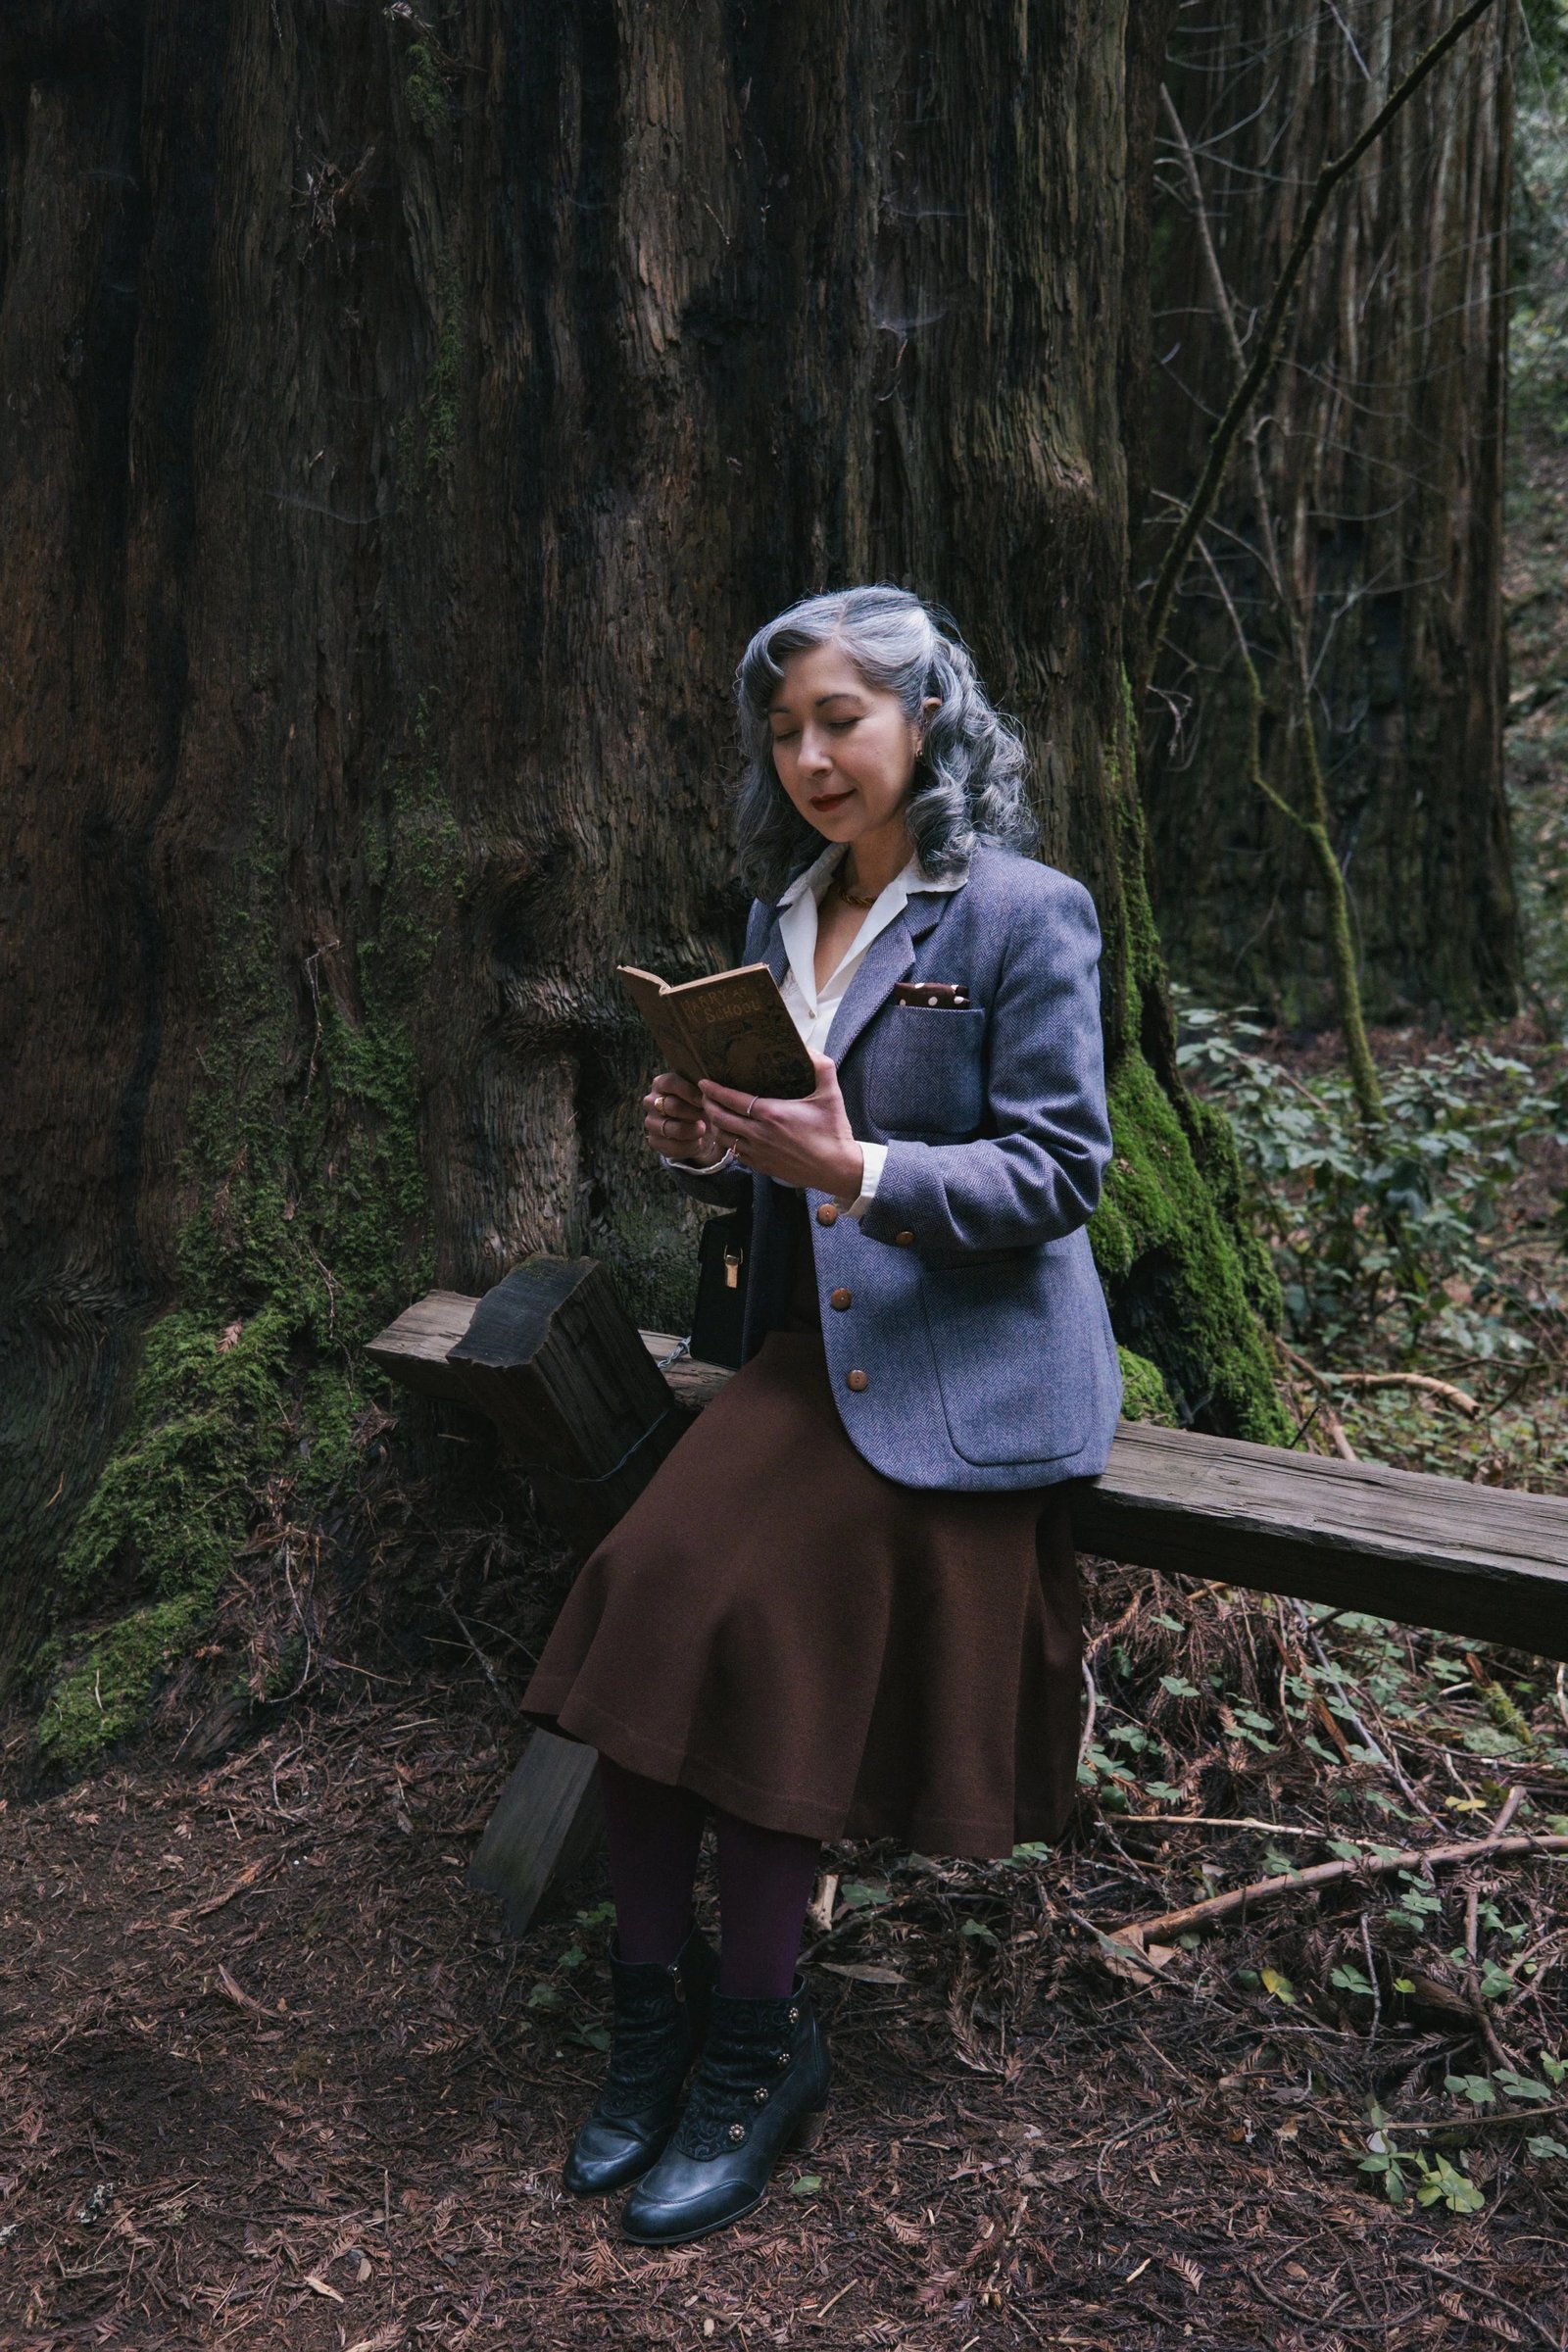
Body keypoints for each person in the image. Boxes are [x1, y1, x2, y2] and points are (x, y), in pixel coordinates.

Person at [521, 585, 1121, 2247]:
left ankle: (757, 2045)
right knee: (649, 1600)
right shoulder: (775, 918)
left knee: (768, 1636)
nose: (809, 757)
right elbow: (782, 1168)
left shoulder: (1023, 913)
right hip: (807, 1361)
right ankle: (652, 2020)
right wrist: (709, 1147)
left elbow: (1061, 1172)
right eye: (784, 730)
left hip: (966, 1371)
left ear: (927, 718)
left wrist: (853, 1167)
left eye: (840, 719)